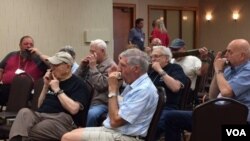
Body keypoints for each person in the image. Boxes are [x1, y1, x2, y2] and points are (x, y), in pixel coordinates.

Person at [157, 39, 250, 141]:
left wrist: (219, 70)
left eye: (230, 52)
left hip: (238, 122)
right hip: (218, 114)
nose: (226, 55)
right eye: (226, 51)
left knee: (203, 130)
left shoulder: (248, 70)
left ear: (242, 56)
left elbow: (226, 92)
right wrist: (217, 71)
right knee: (170, 117)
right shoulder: (229, 69)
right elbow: (213, 95)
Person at [61, 48, 159, 141]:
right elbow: (118, 107)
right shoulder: (134, 84)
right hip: (115, 131)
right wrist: (115, 87)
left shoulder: (144, 90)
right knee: (73, 132)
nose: (119, 69)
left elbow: (115, 121)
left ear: (136, 69)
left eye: (123, 65)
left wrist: (112, 89)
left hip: (126, 137)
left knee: (67, 138)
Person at [9, 51, 90, 141]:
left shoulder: (78, 84)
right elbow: (39, 106)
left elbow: (74, 109)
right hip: (41, 115)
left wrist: (57, 90)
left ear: (67, 67)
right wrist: (46, 86)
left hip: (61, 120)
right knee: (24, 113)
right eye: (51, 65)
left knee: (27, 129)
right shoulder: (53, 80)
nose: (52, 69)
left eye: (56, 65)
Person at [148, 45, 188, 140]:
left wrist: (160, 70)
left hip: (168, 108)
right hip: (150, 107)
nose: (153, 59)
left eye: (156, 56)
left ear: (166, 58)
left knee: (153, 127)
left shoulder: (175, 68)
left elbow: (175, 87)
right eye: (152, 57)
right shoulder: (151, 72)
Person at [75, 39, 116, 127]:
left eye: (93, 52)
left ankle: (89, 136)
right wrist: (82, 66)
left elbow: (101, 85)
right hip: (86, 99)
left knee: (91, 114)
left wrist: (93, 68)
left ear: (103, 51)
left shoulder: (111, 66)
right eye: (90, 51)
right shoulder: (92, 63)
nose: (91, 54)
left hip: (102, 102)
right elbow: (75, 80)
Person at [0, 35, 48, 106]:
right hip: (7, 88)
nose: (28, 46)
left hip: (27, 90)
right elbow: (1, 69)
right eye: (26, 44)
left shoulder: (38, 59)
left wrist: (39, 54)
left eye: (31, 44)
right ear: (20, 45)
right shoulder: (11, 55)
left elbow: (51, 64)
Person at [170, 38, 209, 105]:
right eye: (172, 50)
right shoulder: (171, 61)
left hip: (186, 93)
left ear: (184, 49)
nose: (174, 52)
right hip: (171, 90)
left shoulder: (193, 59)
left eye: (177, 50)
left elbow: (202, 73)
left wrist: (204, 59)